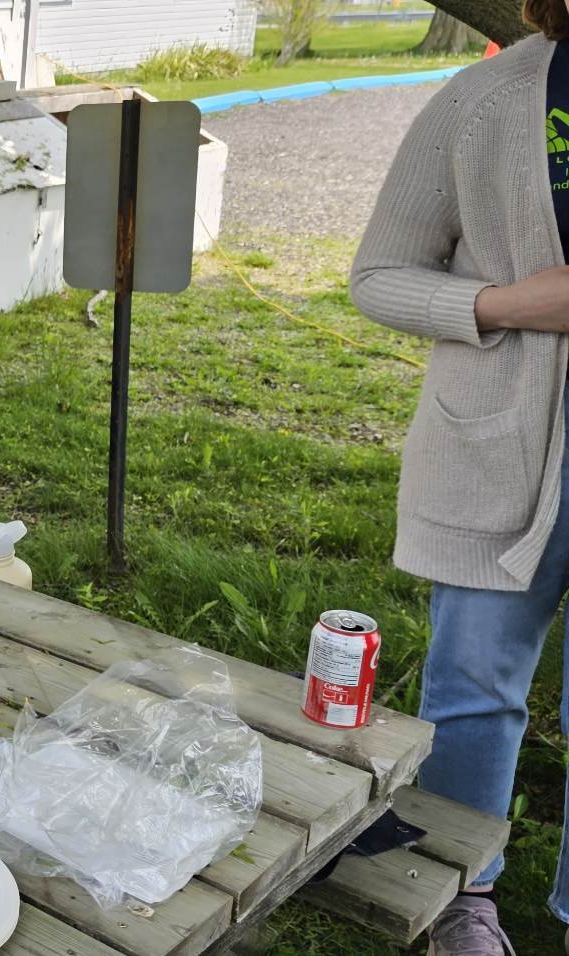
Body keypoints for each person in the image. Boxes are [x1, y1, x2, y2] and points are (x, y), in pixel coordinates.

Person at [352, 2, 569, 951]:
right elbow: (378, 274)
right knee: (475, 683)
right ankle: (461, 895)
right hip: (496, 452)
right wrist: (515, 304)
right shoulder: (486, 100)